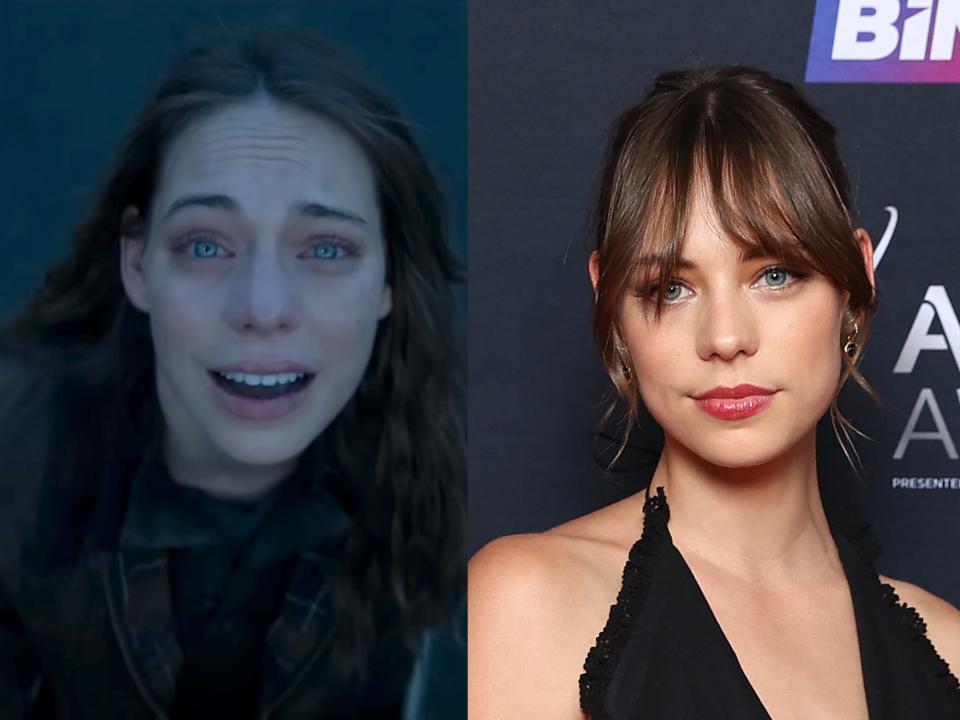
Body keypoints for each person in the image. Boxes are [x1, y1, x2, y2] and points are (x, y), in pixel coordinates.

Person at [0, 26, 464, 719]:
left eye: (328, 248)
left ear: (390, 279)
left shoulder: (459, 478)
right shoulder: (14, 453)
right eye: (207, 245)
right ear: (137, 263)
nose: (263, 308)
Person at [469, 66, 960, 719]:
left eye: (776, 274)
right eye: (672, 287)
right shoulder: (528, 604)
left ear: (856, 281)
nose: (725, 338)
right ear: (610, 300)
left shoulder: (948, 651)